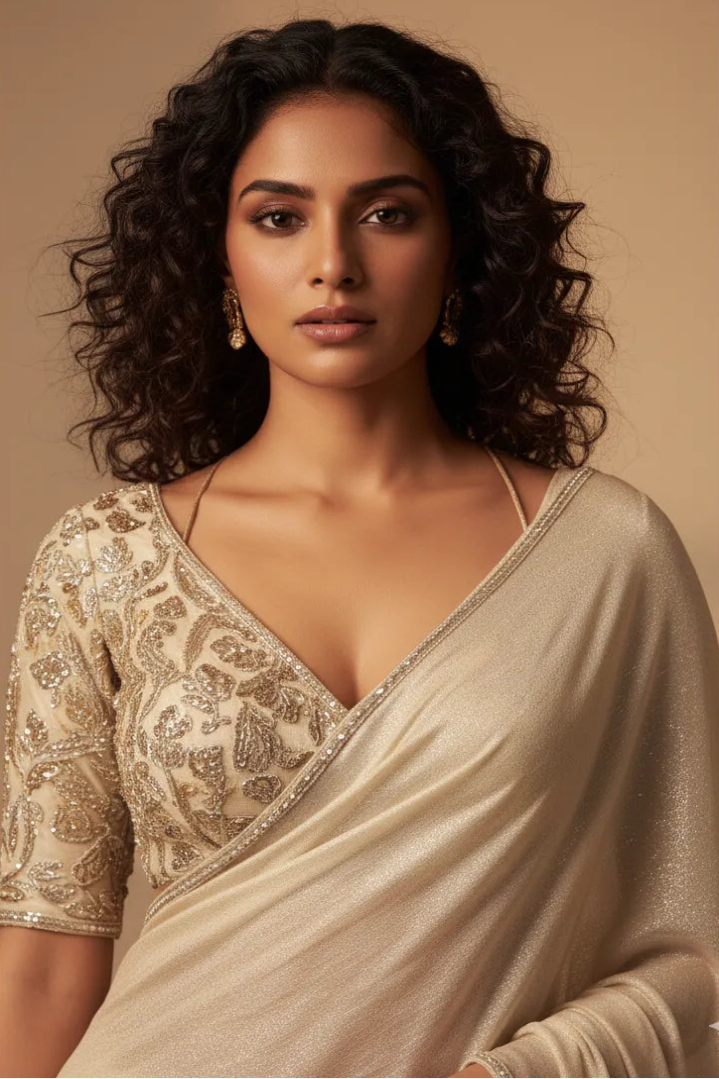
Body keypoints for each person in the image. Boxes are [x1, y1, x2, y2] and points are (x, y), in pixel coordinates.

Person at [1, 16, 717, 1079]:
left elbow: (692, 952)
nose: (332, 264)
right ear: (219, 258)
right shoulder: (101, 560)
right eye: (279, 217)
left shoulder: (606, 558)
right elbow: (47, 965)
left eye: (385, 212)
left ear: (459, 248)